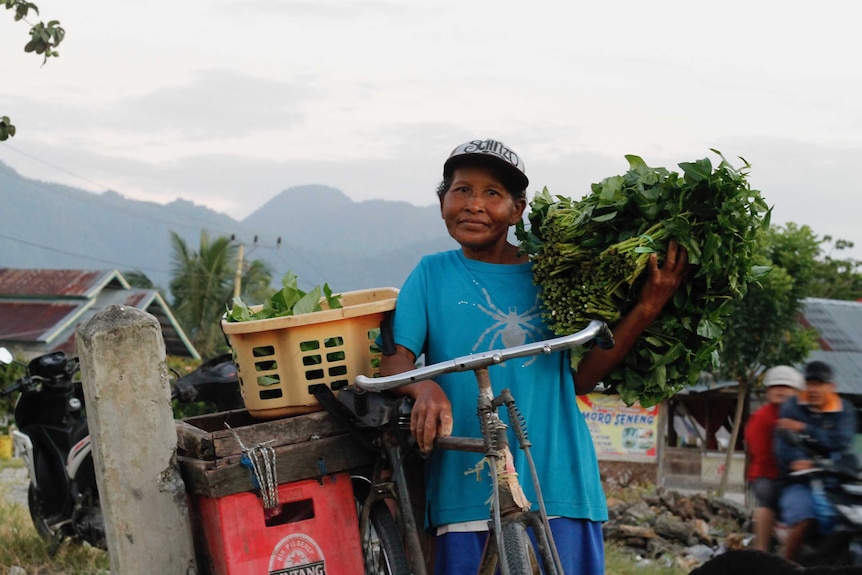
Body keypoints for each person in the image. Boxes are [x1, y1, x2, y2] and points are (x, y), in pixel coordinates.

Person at [381, 138, 688, 574]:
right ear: (442, 201)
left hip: (559, 479)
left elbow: (579, 378)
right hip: (465, 485)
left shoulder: (552, 273)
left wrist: (647, 307)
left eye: (493, 194)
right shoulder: (430, 274)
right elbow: (394, 363)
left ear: (518, 209)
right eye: (462, 190)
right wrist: (422, 384)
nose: (474, 204)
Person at [774, 360, 857, 562]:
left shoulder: (843, 409)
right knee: (804, 518)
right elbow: (786, 449)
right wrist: (801, 462)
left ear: (832, 387)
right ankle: (787, 565)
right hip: (799, 483)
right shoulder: (792, 407)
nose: (814, 389)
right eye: (810, 383)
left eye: (819, 384)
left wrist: (805, 429)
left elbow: (842, 441)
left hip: (835, 483)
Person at [743, 365, 805, 552]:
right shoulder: (762, 417)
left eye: (786, 387)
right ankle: (761, 548)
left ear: (795, 391)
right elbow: (760, 452)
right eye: (776, 386)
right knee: (768, 501)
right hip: (767, 474)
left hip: (797, 473)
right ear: (768, 391)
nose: (780, 391)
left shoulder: (799, 414)